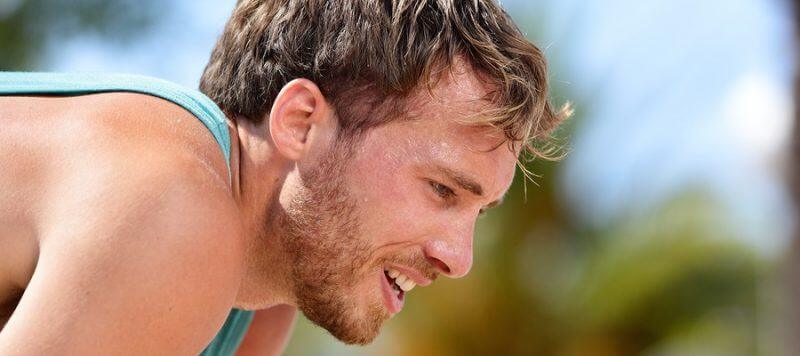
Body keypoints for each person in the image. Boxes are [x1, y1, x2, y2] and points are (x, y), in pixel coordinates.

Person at [0, 0, 568, 354]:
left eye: (478, 210)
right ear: (301, 123)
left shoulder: (259, 305)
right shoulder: (175, 209)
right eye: (443, 189)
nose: (460, 260)